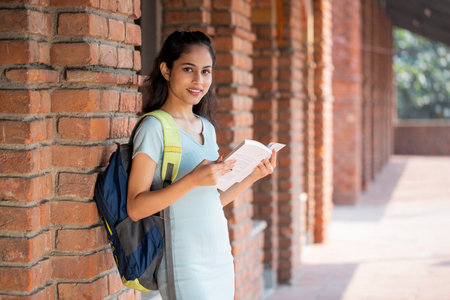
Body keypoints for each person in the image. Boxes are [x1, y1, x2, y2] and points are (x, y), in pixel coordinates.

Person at [126, 30, 277, 300]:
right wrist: (192, 180)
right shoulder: (154, 127)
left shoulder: (206, 128)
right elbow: (136, 207)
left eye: (206, 71)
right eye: (188, 69)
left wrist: (252, 176)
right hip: (183, 261)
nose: (198, 80)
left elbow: (209, 202)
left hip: (219, 254)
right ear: (166, 69)